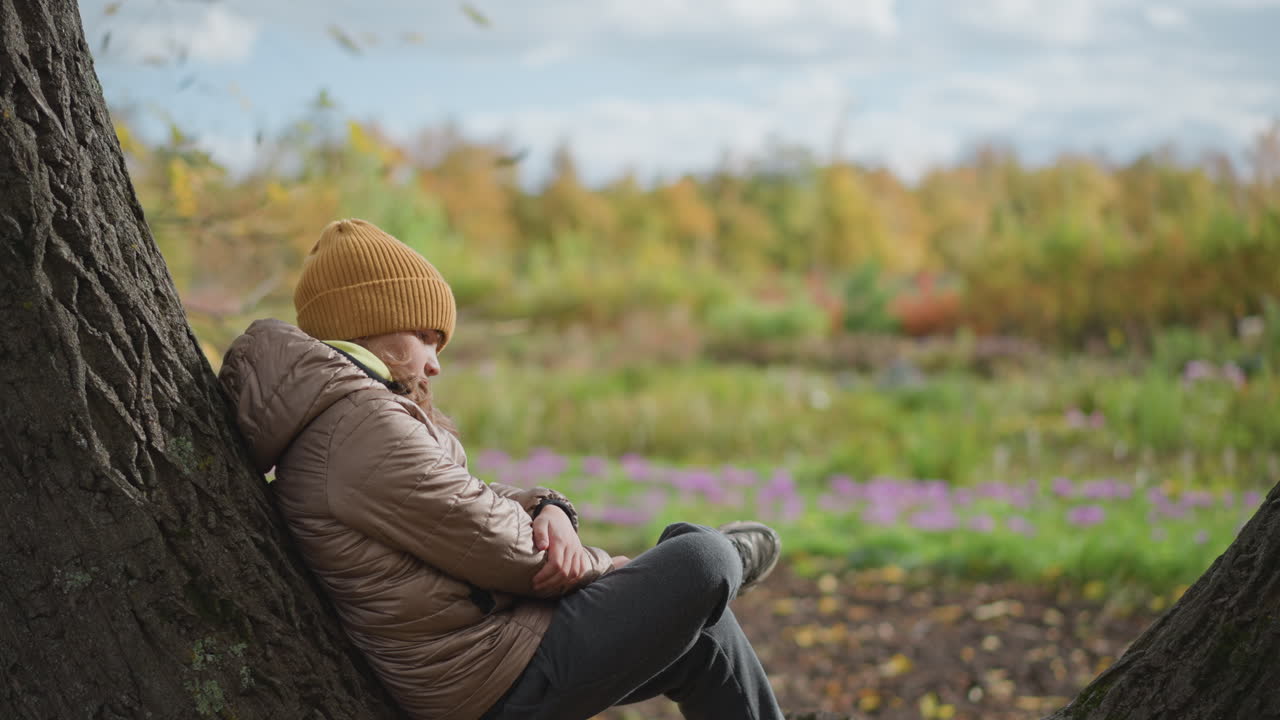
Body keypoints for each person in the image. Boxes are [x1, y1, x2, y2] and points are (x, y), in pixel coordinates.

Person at [218, 218, 785, 720]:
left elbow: (471, 497)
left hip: (497, 650)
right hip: (483, 680)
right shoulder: (357, 423)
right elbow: (505, 550)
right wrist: (608, 566)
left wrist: (549, 509)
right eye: (426, 337)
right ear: (370, 321)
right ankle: (727, 553)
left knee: (706, 634)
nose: (435, 363)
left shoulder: (349, 413)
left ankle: (708, 562)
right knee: (698, 561)